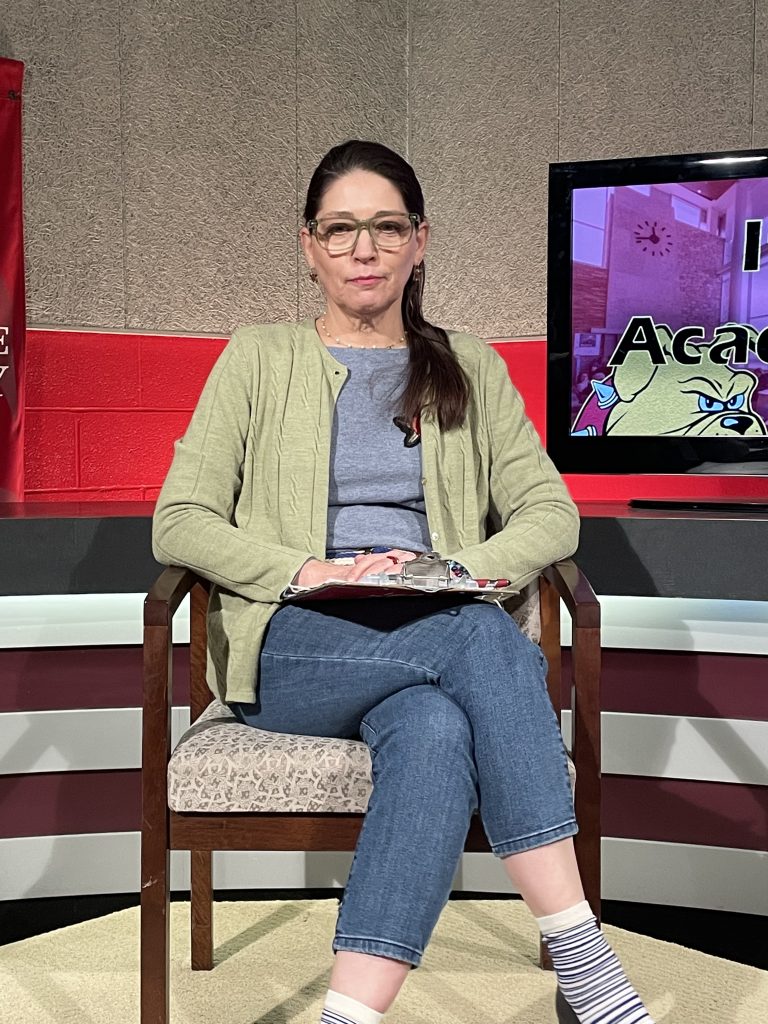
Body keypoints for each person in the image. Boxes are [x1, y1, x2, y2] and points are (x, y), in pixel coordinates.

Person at [152, 140, 654, 1024]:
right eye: (340, 230)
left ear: (419, 242)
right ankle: (584, 958)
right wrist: (308, 570)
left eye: (386, 228)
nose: (364, 249)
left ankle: (347, 1014)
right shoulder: (258, 357)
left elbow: (550, 512)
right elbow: (181, 520)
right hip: (295, 644)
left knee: (433, 730)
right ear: (309, 247)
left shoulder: (470, 365)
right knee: (478, 634)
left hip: (429, 633)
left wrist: (453, 572)